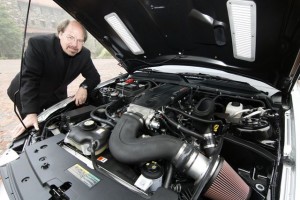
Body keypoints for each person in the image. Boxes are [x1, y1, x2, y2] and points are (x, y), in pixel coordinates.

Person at [7, 19, 100, 138]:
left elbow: (94, 77)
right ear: (60, 34)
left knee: (58, 121)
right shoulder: (38, 44)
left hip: (56, 92)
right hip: (27, 91)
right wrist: (31, 113)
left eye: (80, 40)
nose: (75, 44)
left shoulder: (84, 54)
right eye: (70, 37)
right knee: (36, 126)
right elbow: (29, 78)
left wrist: (84, 87)